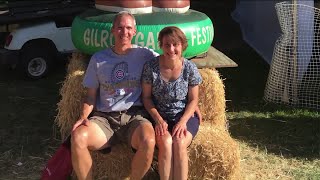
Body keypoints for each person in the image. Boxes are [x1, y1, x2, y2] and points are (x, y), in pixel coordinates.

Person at [70, 11, 159, 180]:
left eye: (128, 28)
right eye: (120, 28)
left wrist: (191, 94)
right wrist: (82, 117)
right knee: (78, 137)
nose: (124, 32)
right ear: (112, 30)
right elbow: (90, 96)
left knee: (148, 140)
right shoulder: (99, 58)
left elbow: (170, 61)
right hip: (105, 119)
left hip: (134, 116)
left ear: (134, 32)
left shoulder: (145, 55)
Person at [141, 26, 202, 180]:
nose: (171, 49)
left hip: (184, 116)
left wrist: (182, 122)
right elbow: (146, 98)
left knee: (179, 143)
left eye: (176, 44)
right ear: (161, 45)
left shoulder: (190, 68)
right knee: (167, 143)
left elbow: (193, 99)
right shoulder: (151, 67)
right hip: (159, 116)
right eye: (167, 44)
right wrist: (158, 120)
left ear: (182, 45)